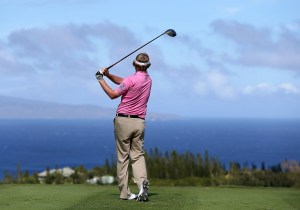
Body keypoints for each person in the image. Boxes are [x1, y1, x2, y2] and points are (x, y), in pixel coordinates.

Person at [95, 53, 152, 202]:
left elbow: (113, 94)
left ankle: (125, 193)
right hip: (139, 122)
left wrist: (100, 79)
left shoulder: (131, 80)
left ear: (134, 64)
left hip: (124, 121)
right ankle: (141, 185)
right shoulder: (148, 80)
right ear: (147, 66)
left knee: (123, 158)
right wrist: (108, 75)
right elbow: (123, 82)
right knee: (138, 155)